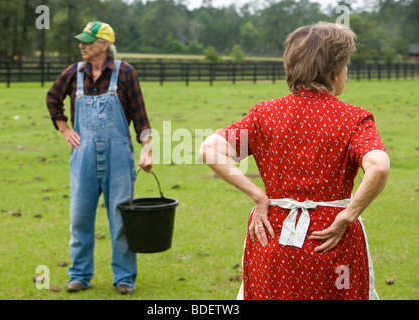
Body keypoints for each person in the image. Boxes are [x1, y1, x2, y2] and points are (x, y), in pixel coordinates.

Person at [199, 22, 389, 300]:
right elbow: (380, 167)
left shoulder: (264, 115)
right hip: (331, 238)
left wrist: (258, 196)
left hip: (272, 235)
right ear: (335, 71)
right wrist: (349, 215)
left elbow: (210, 149)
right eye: (345, 64)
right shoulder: (354, 119)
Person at [46, 21, 152, 294]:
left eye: (87, 41)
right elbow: (52, 99)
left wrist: (147, 149)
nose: (81, 45)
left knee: (121, 220)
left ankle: (125, 278)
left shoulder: (125, 72)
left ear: (104, 45)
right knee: (80, 218)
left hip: (119, 156)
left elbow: (141, 117)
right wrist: (64, 128)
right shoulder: (74, 73)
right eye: (81, 41)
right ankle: (79, 275)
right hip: (83, 157)